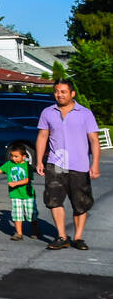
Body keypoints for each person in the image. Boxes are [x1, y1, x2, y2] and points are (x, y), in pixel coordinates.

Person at [35, 79, 101, 251]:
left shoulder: (85, 113)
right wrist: (39, 160)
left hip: (79, 164)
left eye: (63, 91)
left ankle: (78, 237)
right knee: (54, 200)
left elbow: (94, 140)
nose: (59, 94)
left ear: (72, 93)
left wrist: (95, 164)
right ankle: (62, 236)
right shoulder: (48, 112)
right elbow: (42, 136)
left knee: (80, 202)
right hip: (56, 164)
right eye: (57, 91)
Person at [0, 141, 37, 241]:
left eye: (16, 156)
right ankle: (19, 233)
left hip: (28, 195)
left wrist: (15, 183)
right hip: (15, 195)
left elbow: (27, 180)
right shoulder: (9, 164)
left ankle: (35, 230)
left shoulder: (28, 166)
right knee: (17, 214)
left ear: (24, 156)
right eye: (12, 156)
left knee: (31, 215)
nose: (13, 158)